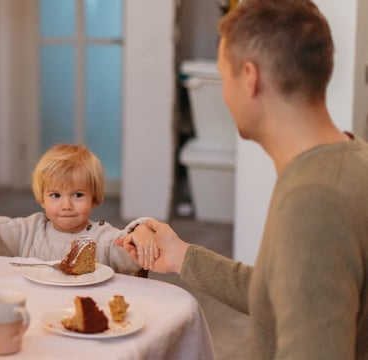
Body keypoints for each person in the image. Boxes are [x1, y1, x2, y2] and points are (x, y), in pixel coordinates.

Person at [118, 0, 368, 358]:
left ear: (249, 78)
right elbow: (284, 291)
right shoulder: (348, 160)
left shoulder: (315, 201)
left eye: (224, 74)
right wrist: (181, 256)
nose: (224, 93)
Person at [0, 144, 155, 275]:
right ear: (42, 199)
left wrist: (139, 234)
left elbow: (128, 255)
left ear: (94, 198)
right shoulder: (28, 231)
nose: (66, 205)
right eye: (56, 195)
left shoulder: (104, 238)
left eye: (78, 195)